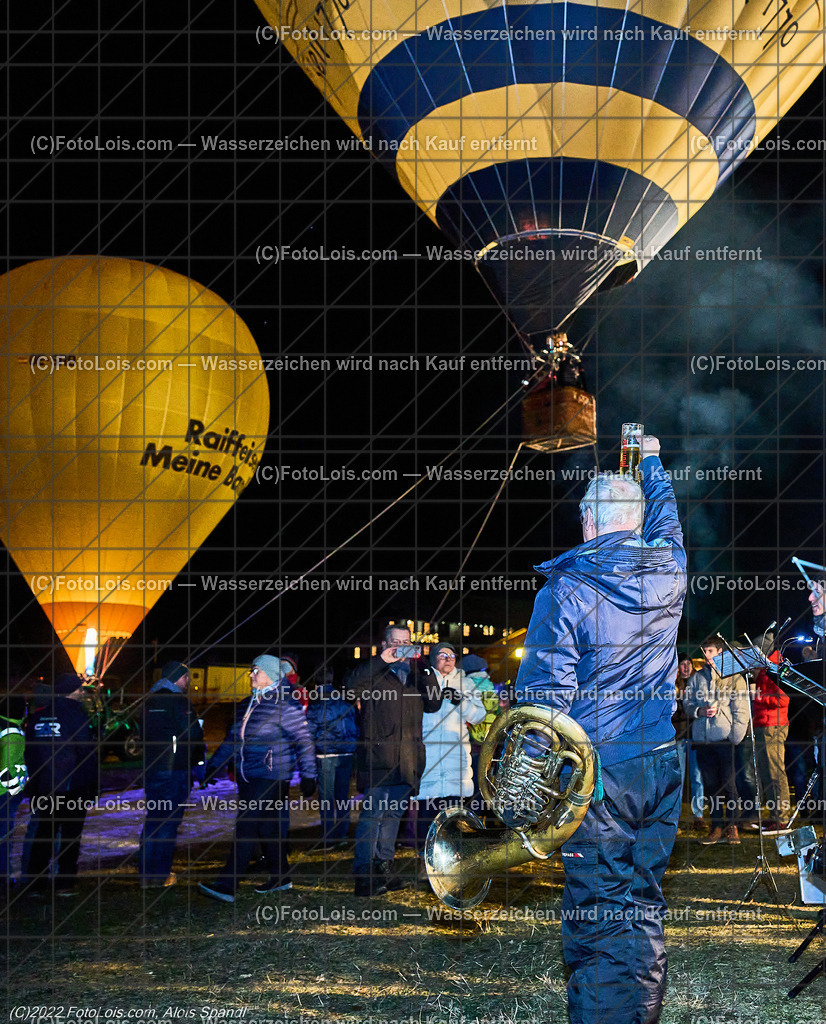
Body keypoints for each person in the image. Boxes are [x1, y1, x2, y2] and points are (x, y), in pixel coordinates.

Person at [516, 432, 685, 1024]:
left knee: (599, 904)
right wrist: (654, 460)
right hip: (662, 761)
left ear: (588, 522)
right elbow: (668, 520)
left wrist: (521, 791)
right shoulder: (669, 568)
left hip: (601, 773)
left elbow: (543, 703)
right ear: (635, 523)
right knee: (641, 897)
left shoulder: (566, 588)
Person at [198, 655, 316, 903]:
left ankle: (226, 885)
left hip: (272, 777)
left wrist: (309, 776)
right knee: (267, 827)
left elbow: (304, 740)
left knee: (246, 826)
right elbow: (233, 740)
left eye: (256, 671)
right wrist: (213, 767)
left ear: (272, 676)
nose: (251, 675)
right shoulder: (249, 703)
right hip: (249, 776)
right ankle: (281, 878)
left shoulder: (286, 705)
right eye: (251, 671)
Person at [348, 623, 442, 897]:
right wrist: (380, 661)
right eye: (395, 641)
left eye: (406, 641)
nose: (400, 646)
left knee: (392, 817)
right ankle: (364, 875)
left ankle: (384, 868)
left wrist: (424, 664)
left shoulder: (415, 674)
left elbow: (434, 702)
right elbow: (350, 687)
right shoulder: (374, 673)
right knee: (372, 817)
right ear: (385, 644)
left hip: (408, 760)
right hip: (378, 758)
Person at [24, 672, 100, 896]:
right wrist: (92, 787)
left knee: (43, 835)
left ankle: (35, 884)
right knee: (70, 836)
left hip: (46, 787)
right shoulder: (77, 715)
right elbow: (86, 754)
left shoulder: (39, 716)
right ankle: (65, 883)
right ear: (74, 691)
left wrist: (35, 785)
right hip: (72, 787)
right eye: (80, 690)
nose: (83, 693)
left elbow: (32, 754)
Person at [414, 643, 485, 862]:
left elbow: (479, 715)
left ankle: (453, 857)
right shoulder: (422, 681)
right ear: (433, 658)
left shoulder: (466, 683)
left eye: (452, 655)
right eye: (442, 655)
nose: (448, 659)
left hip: (456, 759)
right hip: (429, 758)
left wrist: (461, 701)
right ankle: (427, 858)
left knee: (453, 812)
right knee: (428, 810)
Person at [140, 660, 205, 888]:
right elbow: (193, 734)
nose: (188, 683)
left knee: (153, 821)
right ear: (179, 678)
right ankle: (160, 875)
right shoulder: (179, 701)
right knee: (168, 823)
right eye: (187, 678)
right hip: (174, 770)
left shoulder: (148, 701)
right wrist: (198, 763)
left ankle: (147, 875)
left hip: (152, 770)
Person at [684, 638, 749, 845]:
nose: (706, 655)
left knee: (729, 785)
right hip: (703, 740)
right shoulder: (696, 678)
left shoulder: (734, 677)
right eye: (704, 651)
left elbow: (741, 709)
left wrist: (735, 737)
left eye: (710, 650)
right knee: (711, 786)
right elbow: (687, 702)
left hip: (725, 739)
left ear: (720, 652)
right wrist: (698, 711)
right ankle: (716, 826)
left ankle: (732, 826)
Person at [306, 668, 358, 849]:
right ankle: (342, 834)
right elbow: (354, 725)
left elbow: (309, 731)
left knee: (327, 798)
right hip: (346, 754)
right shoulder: (345, 700)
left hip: (326, 754)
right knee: (342, 797)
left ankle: (328, 838)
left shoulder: (317, 702)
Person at [752, 667, 791, 830]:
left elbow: (783, 700)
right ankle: (775, 815)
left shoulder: (775, 668)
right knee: (767, 773)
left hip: (773, 725)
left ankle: (781, 817)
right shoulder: (763, 670)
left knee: (775, 772)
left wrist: (757, 696)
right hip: (763, 724)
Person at [463, 654, 500, 811]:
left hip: (473, 744)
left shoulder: (466, 685)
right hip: (490, 744)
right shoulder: (489, 686)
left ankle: (472, 817)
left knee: (473, 784)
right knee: (486, 780)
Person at [673, 655, 705, 833]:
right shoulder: (673, 685)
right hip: (678, 737)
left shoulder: (697, 684)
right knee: (679, 778)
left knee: (697, 777)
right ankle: (674, 818)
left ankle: (698, 816)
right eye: (682, 665)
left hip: (695, 737)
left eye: (688, 664)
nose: (686, 668)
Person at [0, 690, 27, 896]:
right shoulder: (12, 732)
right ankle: (4, 882)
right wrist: (16, 790)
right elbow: (6, 769)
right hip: (3, 794)